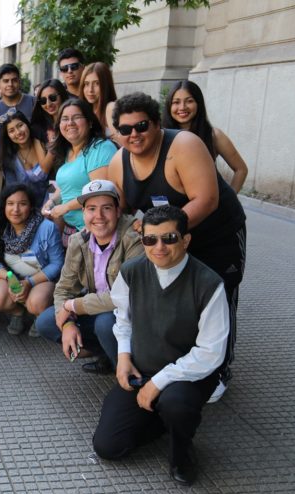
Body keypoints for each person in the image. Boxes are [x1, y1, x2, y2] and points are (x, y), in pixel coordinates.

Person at [107, 92, 246, 402]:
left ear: (157, 123)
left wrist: (164, 232)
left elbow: (206, 200)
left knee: (221, 295)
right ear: (117, 132)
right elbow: (122, 208)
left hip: (217, 235)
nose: (135, 135)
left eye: (141, 126)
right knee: (179, 302)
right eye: (126, 129)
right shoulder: (118, 161)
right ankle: (184, 364)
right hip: (170, 242)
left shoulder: (183, 145)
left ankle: (220, 369)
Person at [93, 205, 229, 486]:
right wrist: (123, 356)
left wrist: (159, 382)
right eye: (150, 239)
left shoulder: (209, 284)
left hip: (188, 377)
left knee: (176, 404)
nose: (159, 247)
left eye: (169, 238)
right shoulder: (132, 271)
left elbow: (211, 352)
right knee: (109, 447)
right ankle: (161, 419)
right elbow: (123, 317)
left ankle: (182, 450)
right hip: (142, 368)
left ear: (186, 240)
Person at [35, 180, 143, 373]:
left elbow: (125, 296)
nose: (98, 216)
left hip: (132, 315)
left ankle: (129, 372)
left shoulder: (133, 239)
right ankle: (106, 354)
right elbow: (64, 288)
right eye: (91, 209)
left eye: (106, 208)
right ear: (83, 212)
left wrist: (74, 306)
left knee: (105, 323)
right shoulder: (79, 240)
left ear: (118, 211)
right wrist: (67, 323)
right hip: (98, 308)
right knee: (47, 320)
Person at [0, 184, 64, 335]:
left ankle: (38, 316)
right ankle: (17, 312)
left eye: (22, 204)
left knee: (36, 303)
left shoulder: (46, 227)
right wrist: (9, 277)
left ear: (31, 206)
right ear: (3, 206)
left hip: (40, 278)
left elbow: (57, 263)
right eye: (10, 204)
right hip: (11, 276)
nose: (16, 209)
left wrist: (29, 283)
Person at [42, 99, 117, 245]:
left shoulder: (100, 148)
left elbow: (100, 192)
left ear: (89, 122)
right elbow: (69, 188)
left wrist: (65, 207)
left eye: (76, 117)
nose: (70, 123)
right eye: (65, 119)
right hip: (71, 230)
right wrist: (52, 201)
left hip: (94, 231)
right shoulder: (69, 151)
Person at [163, 80, 248, 193]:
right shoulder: (160, 135)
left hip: (207, 205)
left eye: (189, 101)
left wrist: (230, 200)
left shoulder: (214, 135)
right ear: (169, 106)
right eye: (176, 102)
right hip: (171, 207)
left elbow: (241, 169)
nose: (182, 107)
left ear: (199, 103)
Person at [0, 108, 52, 207]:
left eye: (20, 125)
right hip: (27, 208)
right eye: (11, 131)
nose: (18, 132)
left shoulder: (42, 142)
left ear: (27, 124)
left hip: (54, 200)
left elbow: (44, 173)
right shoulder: (9, 159)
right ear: (7, 135)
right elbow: (12, 191)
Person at [79, 62, 118, 141]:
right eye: (86, 84)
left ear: (106, 85)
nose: (90, 90)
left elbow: (123, 144)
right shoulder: (85, 111)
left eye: (97, 83)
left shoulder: (110, 108)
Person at [30, 79, 70, 144]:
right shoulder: (38, 129)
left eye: (53, 97)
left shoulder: (73, 122)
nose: (48, 104)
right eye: (43, 100)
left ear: (62, 95)